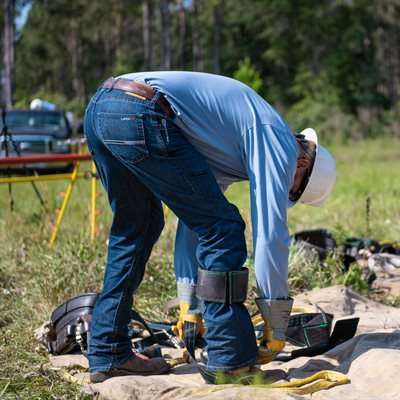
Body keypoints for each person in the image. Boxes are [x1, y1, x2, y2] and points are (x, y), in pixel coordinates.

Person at [83, 71, 336, 383]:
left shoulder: (227, 147)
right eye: (293, 190)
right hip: (141, 111)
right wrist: (276, 317)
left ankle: (109, 352)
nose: (286, 191)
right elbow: (270, 233)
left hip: (102, 109)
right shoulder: (279, 140)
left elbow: (195, 222)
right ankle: (231, 360)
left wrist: (189, 302)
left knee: (138, 227)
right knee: (226, 228)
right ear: (302, 164)